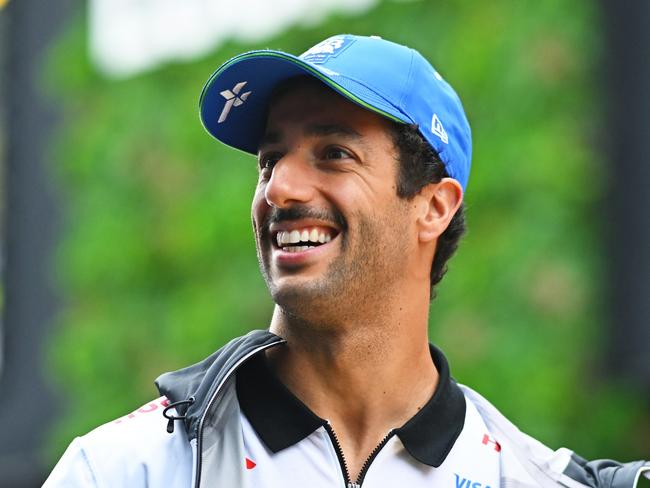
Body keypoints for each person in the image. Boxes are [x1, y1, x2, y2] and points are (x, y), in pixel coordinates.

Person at [45, 34, 648, 488]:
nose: (280, 189)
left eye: (333, 153)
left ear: (433, 207)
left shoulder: (527, 478)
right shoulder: (124, 469)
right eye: (270, 159)